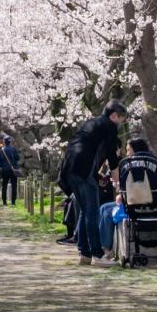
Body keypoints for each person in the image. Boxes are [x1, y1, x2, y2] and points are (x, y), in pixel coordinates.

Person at [57, 99, 127, 266]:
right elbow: (112, 154)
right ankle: (97, 254)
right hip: (83, 167)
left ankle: (85, 254)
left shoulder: (91, 122)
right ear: (115, 116)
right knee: (93, 211)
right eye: (121, 121)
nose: (120, 125)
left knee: (84, 210)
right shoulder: (108, 125)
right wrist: (118, 183)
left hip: (69, 167)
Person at [1, 135, 21, 205]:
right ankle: (13, 201)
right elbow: (18, 158)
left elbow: (0, 160)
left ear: (4, 142)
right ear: (10, 142)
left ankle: (4, 201)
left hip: (5, 170)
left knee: (4, 185)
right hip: (13, 170)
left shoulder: (2, 150)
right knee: (14, 185)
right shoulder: (13, 149)